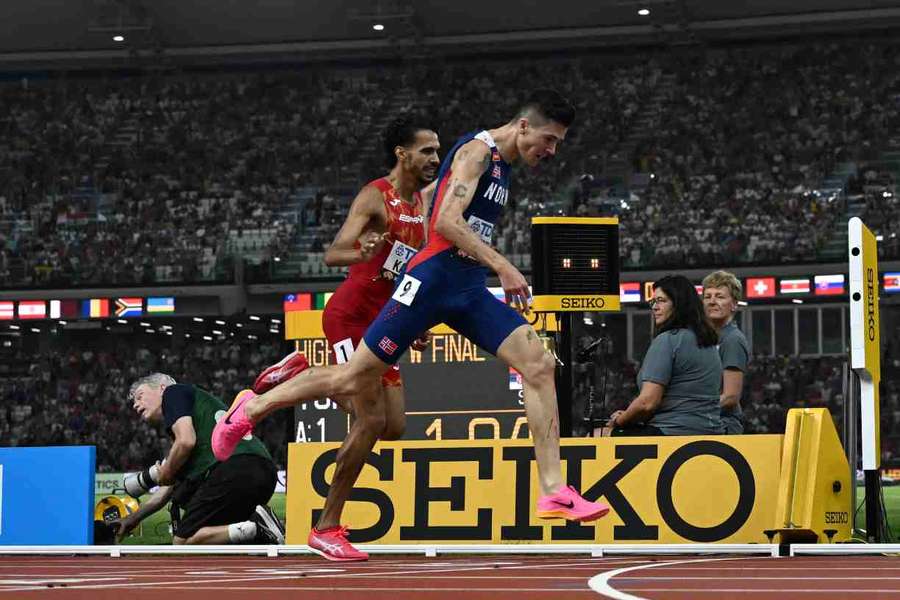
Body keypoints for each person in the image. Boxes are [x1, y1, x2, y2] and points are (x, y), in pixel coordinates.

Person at [213, 89, 611, 561]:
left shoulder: (501, 166)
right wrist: (501, 265)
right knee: (351, 379)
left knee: (540, 364)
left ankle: (553, 490)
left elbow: (427, 204)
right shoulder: (477, 151)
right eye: (548, 139)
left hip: (462, 288)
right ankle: (252, 409)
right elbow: (445, 220)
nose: (551, 150)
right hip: (434, 280)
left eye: (557, 144)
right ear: (523, 126)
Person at [252, 115, 439, 560]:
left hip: (386, 323)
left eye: (437, 150)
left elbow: (404, 271)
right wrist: (364, 251)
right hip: (351, 318)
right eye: (427, 150)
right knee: (369, 421)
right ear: (402, 154)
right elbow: (334, 253)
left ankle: (302, 372)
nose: (435, 157)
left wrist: (415, 325)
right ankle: (326, 526)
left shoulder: (421, 207)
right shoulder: (376, 196)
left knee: (393, 428)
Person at [113, 373, 284, 545]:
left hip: (234, 469)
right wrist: (133, 518)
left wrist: (165, 472)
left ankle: (256, 527)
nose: (135, 404)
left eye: (140, 396)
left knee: (183, 541)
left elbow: (186, 441)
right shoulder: (198, 417)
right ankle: (259, 529)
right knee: (227, 534)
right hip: (263, 471)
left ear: (162, 388)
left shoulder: (173, 393)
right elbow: (166, 490)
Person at [607, 275, 723, 435]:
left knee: (596, 435)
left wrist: (619, 421)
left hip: (671, 432)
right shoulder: (708, 343)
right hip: (710, 431)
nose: (654, 307)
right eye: (653, 302)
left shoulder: (668, 340)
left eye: (661, 300)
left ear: (679, 305)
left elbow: (647, 403)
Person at [702, 270, 750, 434]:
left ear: (734, 304)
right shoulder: (706, 337)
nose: (712, 301)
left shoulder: (732, 339)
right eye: (708, 296)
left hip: (724, 425)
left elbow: (730, 396)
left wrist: (693, 411)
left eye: (720, 296)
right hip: (709, 422)